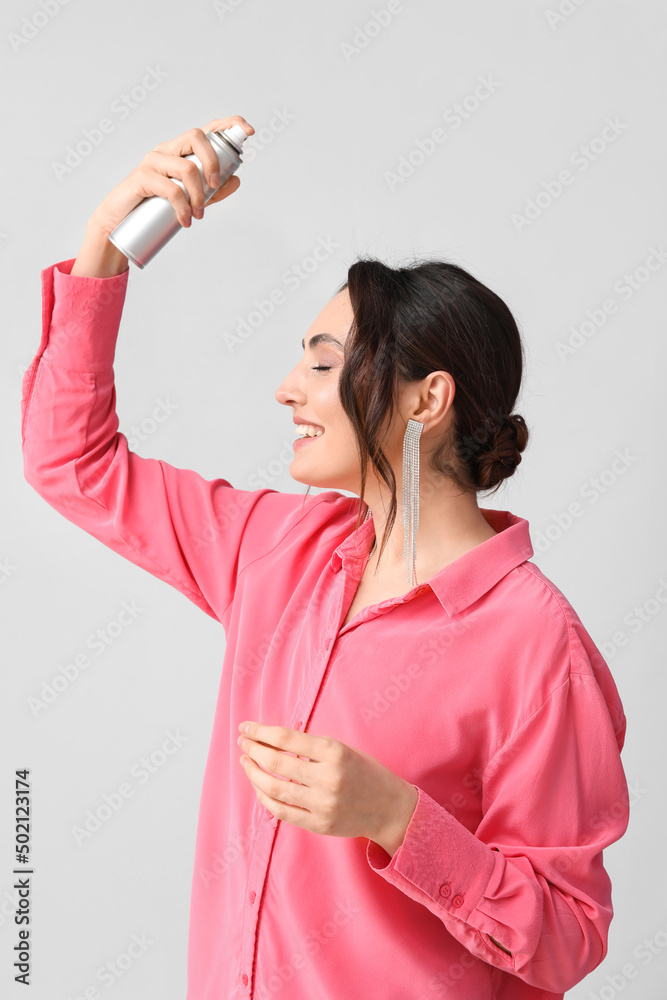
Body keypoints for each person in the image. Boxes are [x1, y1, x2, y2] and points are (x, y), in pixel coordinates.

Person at [21, 115, 629, 1000]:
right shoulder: (277, 548)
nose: (286, 389)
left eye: (322, 362)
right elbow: (70, 462)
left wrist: (396, 818)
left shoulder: (536, 645)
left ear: (427, 402)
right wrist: (106, 241)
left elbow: (567, 935)